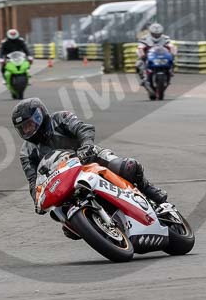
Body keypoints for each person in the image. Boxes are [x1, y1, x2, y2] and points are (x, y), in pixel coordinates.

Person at [11, 98, 168, 236]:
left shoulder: (60, 118)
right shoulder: (26, 152)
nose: (27, 130)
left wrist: (86, 145)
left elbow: (83, 128)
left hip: (89, 159)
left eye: (30, 124)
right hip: (63, 181)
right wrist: (36, 200)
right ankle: (104, 231)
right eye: (23, 128)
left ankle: (153, 195)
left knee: (128, 167)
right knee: (69, 229)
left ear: (40, 116)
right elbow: (33, 180)